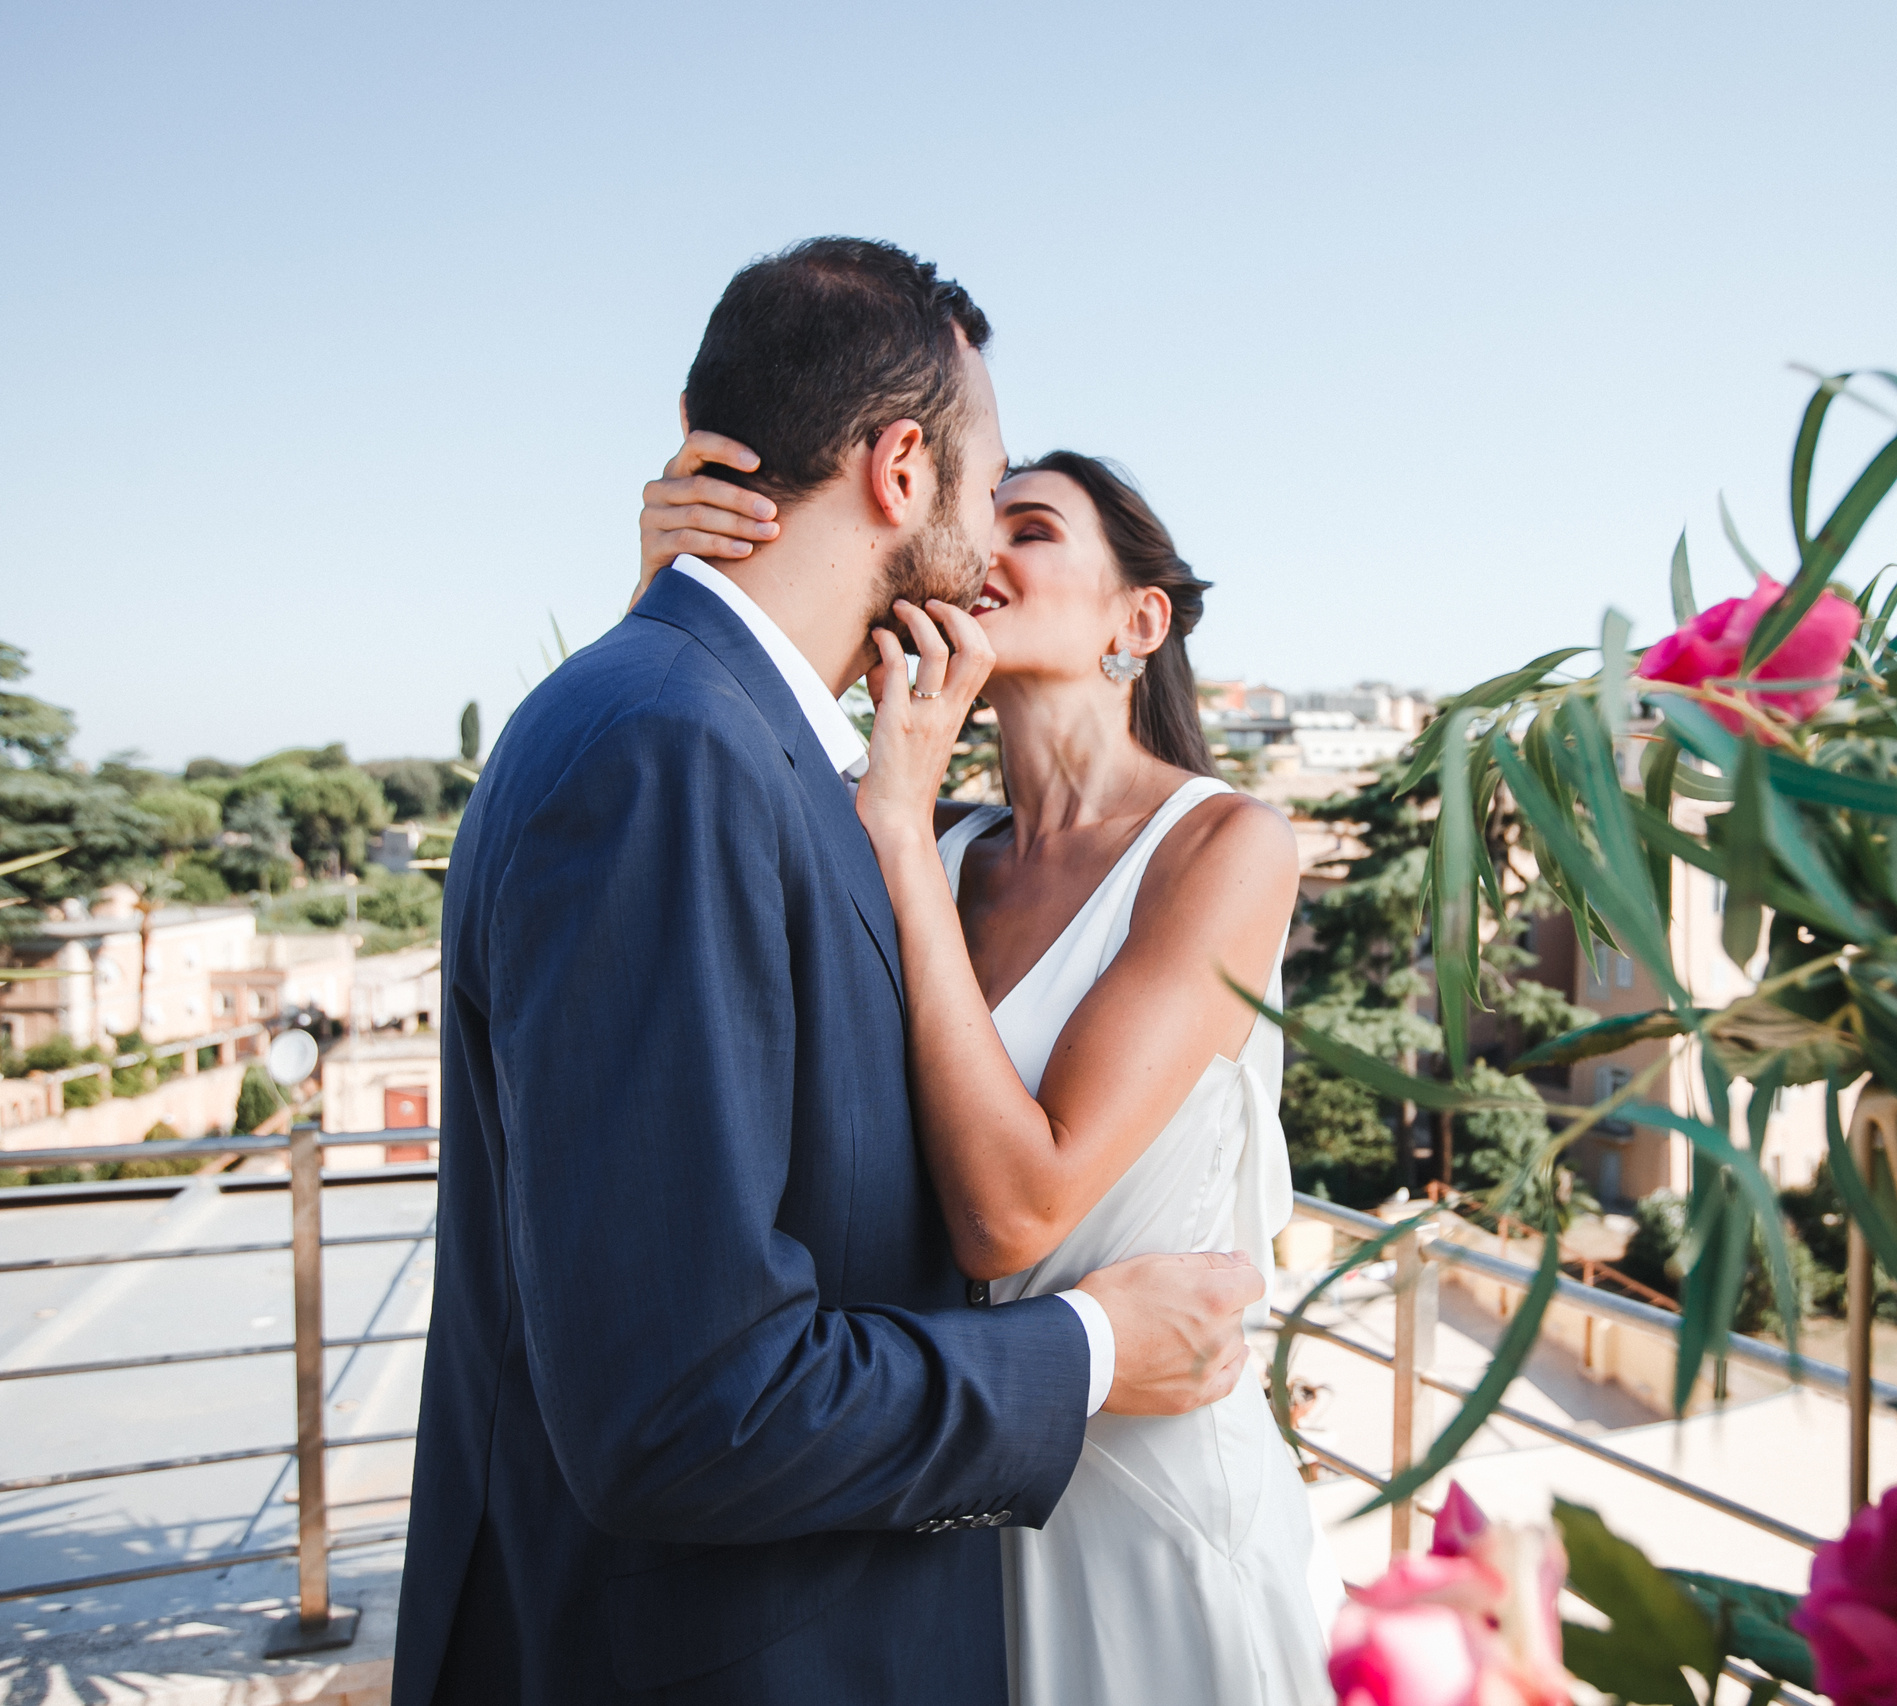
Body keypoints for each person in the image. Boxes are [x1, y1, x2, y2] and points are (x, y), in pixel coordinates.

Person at [396, 237, 1265, 1706]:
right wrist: (1097, 1343)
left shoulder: (746, 746)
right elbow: (685, 1406)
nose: (990, 543)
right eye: (991, 492)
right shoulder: (671, 749)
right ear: (903, 470)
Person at [636, 440, 1342, 1701]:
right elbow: (696, 819)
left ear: (1140, 618)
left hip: (1150, 1495)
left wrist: (900, 828)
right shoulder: (923, 832)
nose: (989, 551)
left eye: (1034, 526)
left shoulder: (1226, 845)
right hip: (946, 1482)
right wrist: (671, 596)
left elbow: (1015, 1205)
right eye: (982, 522)